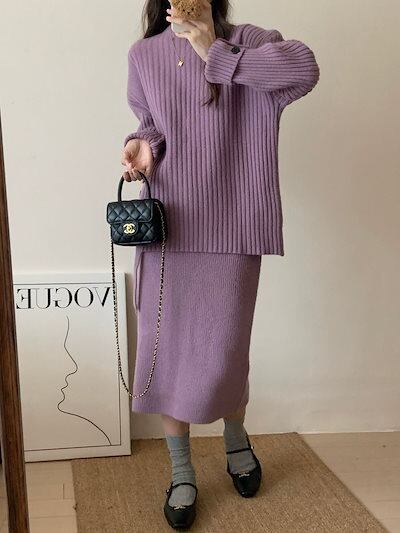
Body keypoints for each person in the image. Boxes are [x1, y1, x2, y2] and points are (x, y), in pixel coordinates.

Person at [121, 0, 320, 528]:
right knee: (168, 352)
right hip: (171, 224)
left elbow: (304, 70)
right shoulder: (143, 55)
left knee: (225, 350)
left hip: (233, 222)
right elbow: (151, 125)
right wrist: (142, 148)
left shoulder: (251, 41)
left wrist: (215, 51)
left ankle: (235, 439)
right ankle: (181, 470)